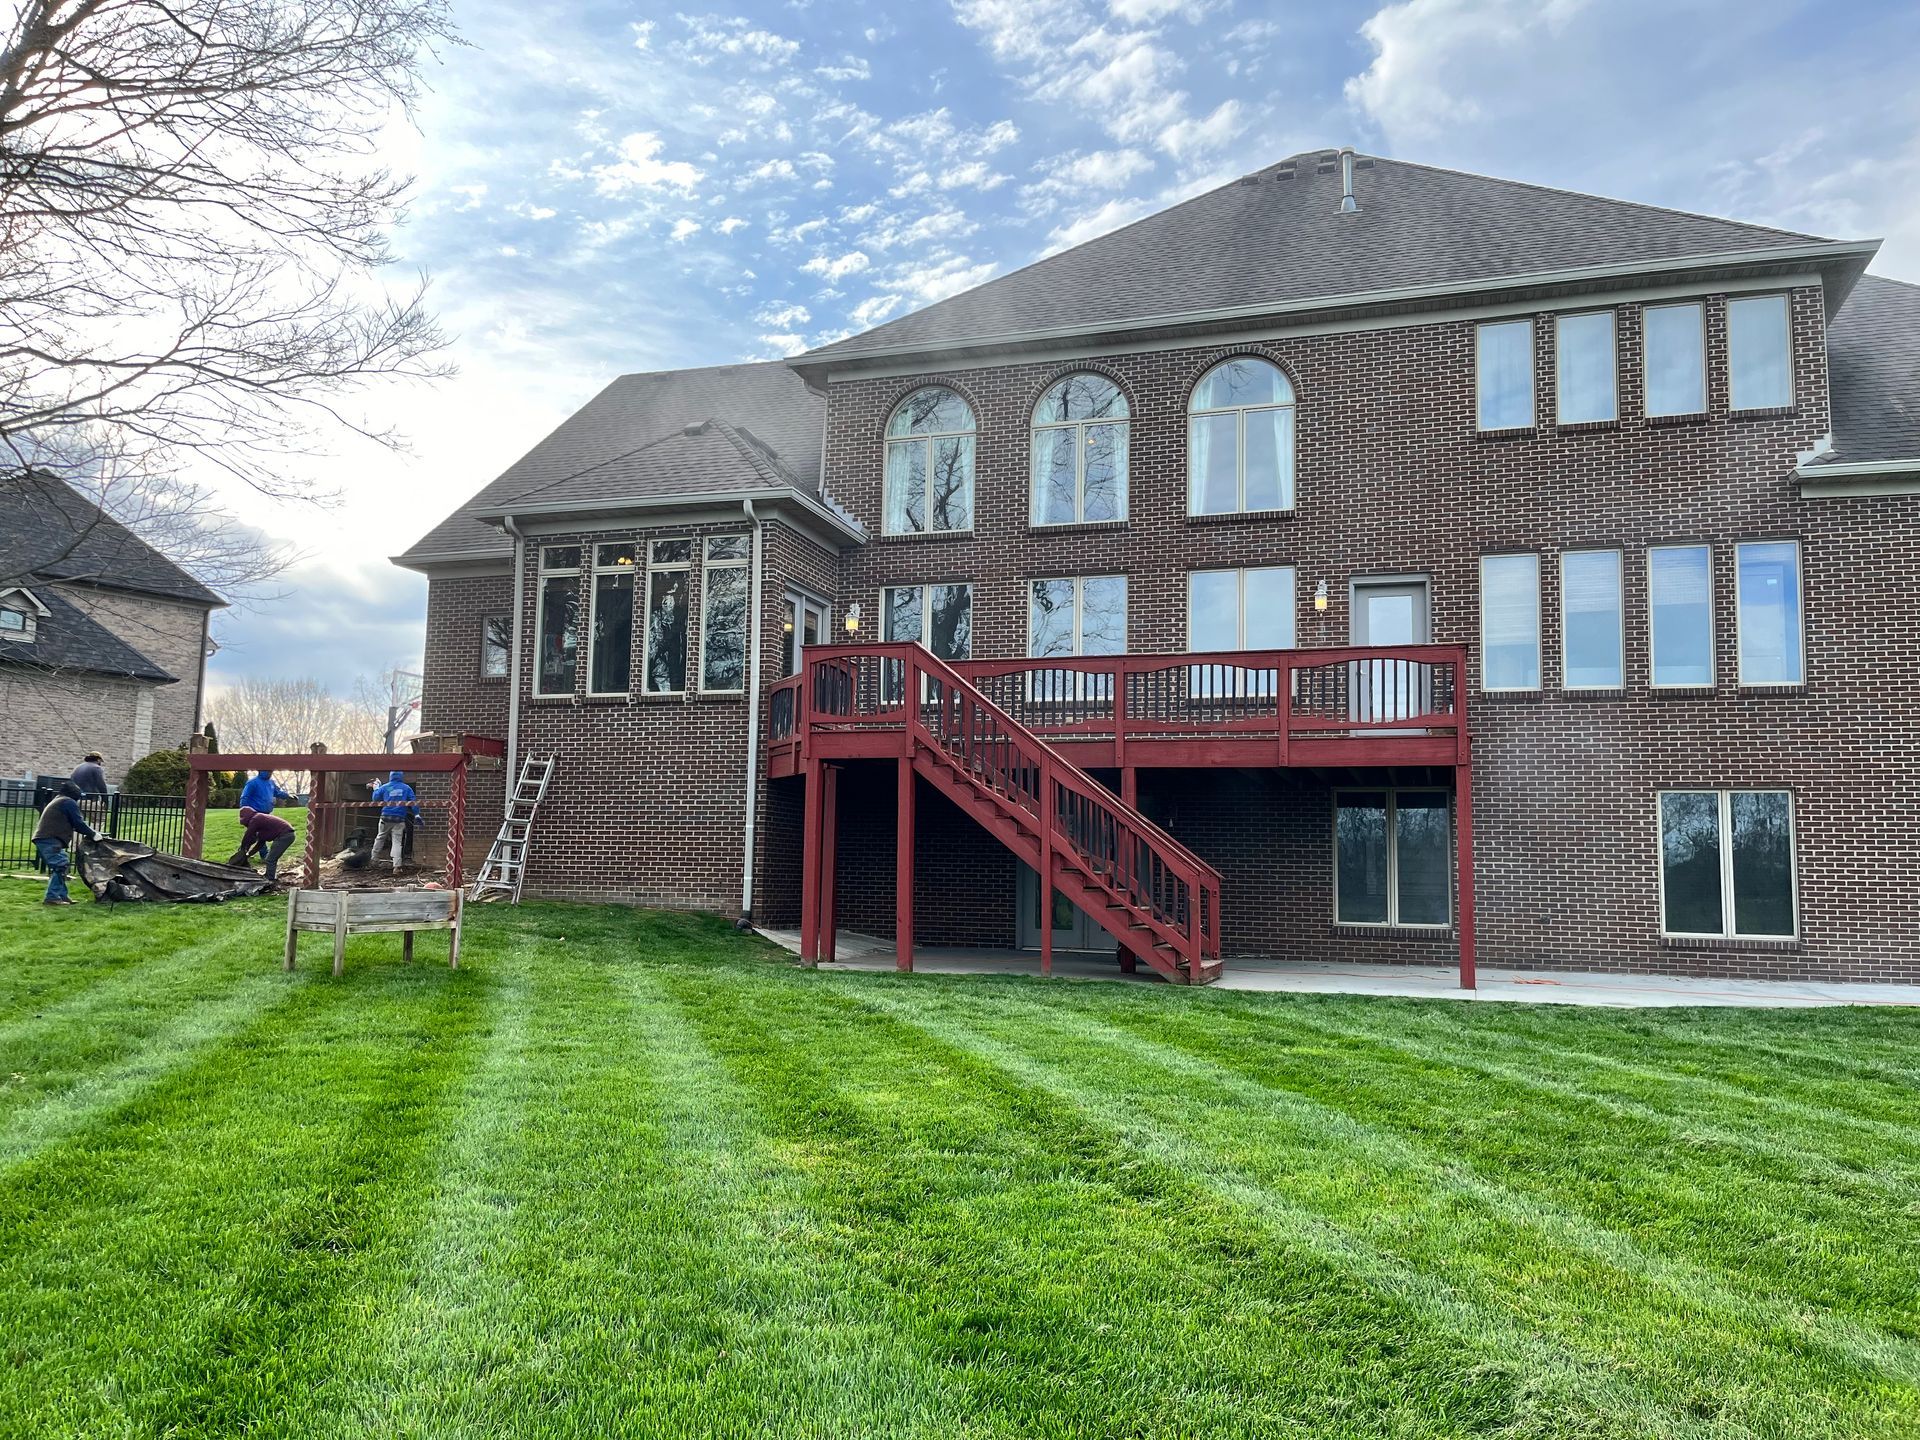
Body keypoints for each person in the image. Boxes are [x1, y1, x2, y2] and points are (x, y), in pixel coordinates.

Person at [32, 781, 102, 906]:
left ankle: (62, 896)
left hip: (46, 838)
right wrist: (93, 834)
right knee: (60, 865)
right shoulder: (68, 802)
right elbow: (78, 823)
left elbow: (75, 823)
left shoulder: (59, 800)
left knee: (62, 865)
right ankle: (52, 897)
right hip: (50, 839)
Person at [371, 770, 421, 873]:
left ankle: (373, 860)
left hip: (386, 817)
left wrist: (376, 787)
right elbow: (413, 802)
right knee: (397, 842)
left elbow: (375, 798)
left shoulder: (387, 787)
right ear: (401, 777)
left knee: (380, 837)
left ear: (391, 776)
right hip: (399, 819)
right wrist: (417, 814)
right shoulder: (406, 788)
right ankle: (397, 866)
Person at [235, 805, 297, 883]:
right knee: (270, 858)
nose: (247, 826)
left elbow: (248, 835)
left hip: (284, 835)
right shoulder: (262, 825)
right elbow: (259, 845)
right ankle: (269, 876)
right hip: (287, 835)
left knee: (271, 859)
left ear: (247, 818)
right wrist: (248, 854)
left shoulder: (256, 819)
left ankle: (270, 879)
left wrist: (243, 849)